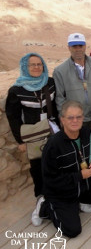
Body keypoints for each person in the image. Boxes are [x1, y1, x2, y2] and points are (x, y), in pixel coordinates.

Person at [30, 101, 91, 237]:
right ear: (62, 120)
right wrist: (80, 176)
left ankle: (81, 200)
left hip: (83, 186)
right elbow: (50, 181)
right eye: (70, 117)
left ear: (83, 118)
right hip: (62, 193)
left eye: (78, 117)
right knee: (72, 230)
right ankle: (43, 206)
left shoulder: (87, 133)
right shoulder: (53, 145)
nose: (75, 121)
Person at [6, 53, 59, 198]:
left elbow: (56, 106)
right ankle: (41, 197)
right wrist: (21, 141)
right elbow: (13, 117)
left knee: (56, 162)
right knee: (37, 166)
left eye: (39, 64)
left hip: (52, 130)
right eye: (32, 65)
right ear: (25, 67)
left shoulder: (50, 83)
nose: (36, 67)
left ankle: (57, 193)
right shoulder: (17, 90)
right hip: (33, 135)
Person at [53, 33, 91, 129]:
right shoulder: (60, 71)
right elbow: (60, 99)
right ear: (69, 47)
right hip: (75, 121)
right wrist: (64, 119)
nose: (78, 49)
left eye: (80, 46)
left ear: (85, 46)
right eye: (74, 46)